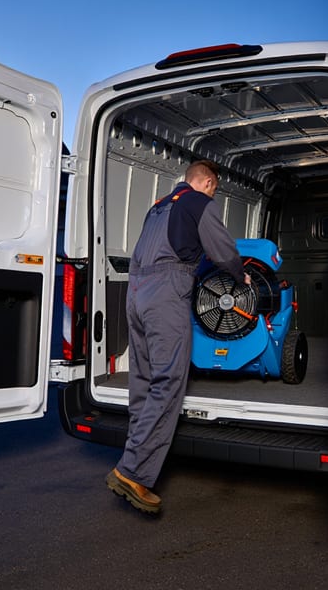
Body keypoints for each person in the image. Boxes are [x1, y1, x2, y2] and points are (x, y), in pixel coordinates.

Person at [106, 160, 250, 514]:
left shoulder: (158, 207)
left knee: (143, 379)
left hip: (136, 292)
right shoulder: (199, 203)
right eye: (213, 188)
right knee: (168, 380)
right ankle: (133, 471)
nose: (213, 193)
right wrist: (238, 274)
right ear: (205, 182)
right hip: (166, 295)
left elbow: (164, 252)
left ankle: (133, 455)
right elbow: (221, 249)